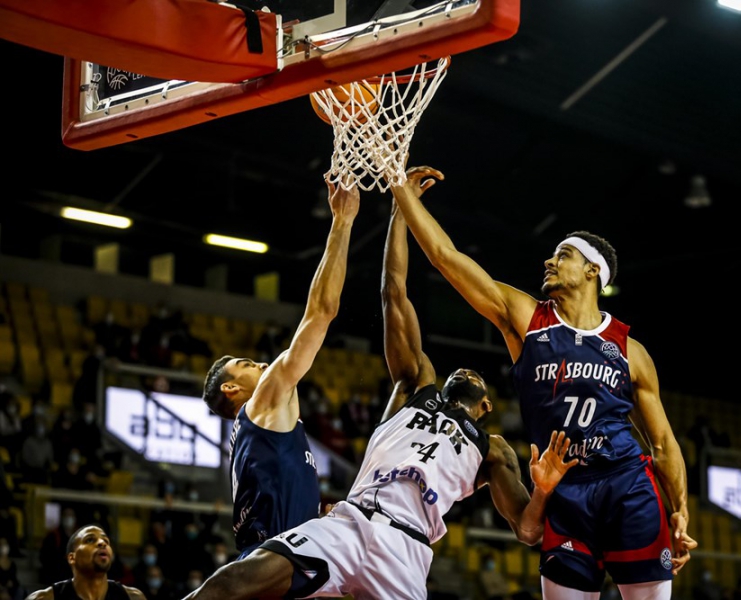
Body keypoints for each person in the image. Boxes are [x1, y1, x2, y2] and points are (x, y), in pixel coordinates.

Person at [177, 195, 579, 600]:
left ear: (487, 406)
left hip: (406, 550)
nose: (466, 371)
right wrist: (400, 211)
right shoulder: (415, 388)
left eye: (478, 377)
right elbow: (393, 292)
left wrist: (543, 490)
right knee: (235, 582)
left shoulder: (492, 450)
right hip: (351, 523)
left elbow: (528, 530)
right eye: (460, 371)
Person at [390, 165, 698, 600]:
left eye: (563, 255)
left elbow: (663, 444)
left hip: (626, 483)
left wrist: (680, 509)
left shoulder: (631, 351)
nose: (550, 261)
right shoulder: (527, 318)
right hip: (564, 490)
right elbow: (446, 257)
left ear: (592, 271)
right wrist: (402, 194)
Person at [199, 179, 360, 559]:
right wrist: (342, 221)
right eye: (245, 365)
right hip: (275, 560)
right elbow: (322, 311)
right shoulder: (265, 399)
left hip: (266, 557)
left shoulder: (253, 435)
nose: (259, 364)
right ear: (230, 389)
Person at [25, 524, 146, 600]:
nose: (102, 543)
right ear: (72, 558)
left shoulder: (133, 597)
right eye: (90, 540)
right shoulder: (44, 598)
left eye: (106, 541)